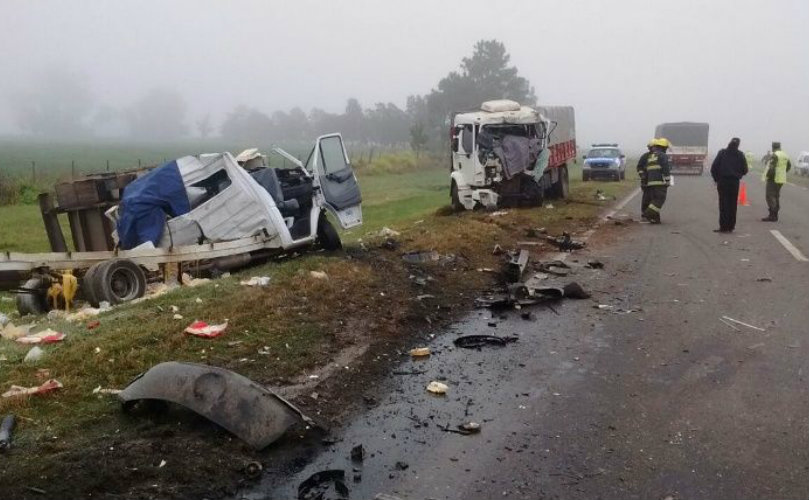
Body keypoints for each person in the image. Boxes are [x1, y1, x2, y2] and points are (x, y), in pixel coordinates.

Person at [710, 137, 748, 232]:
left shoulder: (722, 153)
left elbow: (714, 167)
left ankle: (723, 226)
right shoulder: (740, 155)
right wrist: (738, 174)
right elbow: (745, 170)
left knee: (723, 204)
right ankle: (731, 226)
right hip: (734, 182)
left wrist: (716, 179)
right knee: (732, 204)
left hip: (723, 181)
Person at [636, 138, 671, 223]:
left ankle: (655, 218)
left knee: (652, 200)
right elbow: (665, 168)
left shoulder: (652, 156)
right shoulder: (651, 156)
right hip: (654, 182)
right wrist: (668, 181)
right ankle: (647, 214)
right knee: (655, 200)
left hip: (650, 182)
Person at [761, 141, 791, 221]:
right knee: (776, 196)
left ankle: (772, 215)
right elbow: (788, 166)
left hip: (773, 178)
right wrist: (782, 172)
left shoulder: (775, 155)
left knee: (770, 196)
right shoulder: (785, 155)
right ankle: (775, 214)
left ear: (773, 147)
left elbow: (772, 167)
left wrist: (768, 175)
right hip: (781, 178)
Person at [637, 140, 654, 217]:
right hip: (646, 180)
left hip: (656, 180)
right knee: (646, 197)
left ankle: (653, 213)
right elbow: (639, 167)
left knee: (656, 198)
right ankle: (644, 212)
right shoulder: (645, 156)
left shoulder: (661, 156)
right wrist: (642, 175)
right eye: (651, 147)